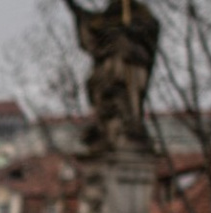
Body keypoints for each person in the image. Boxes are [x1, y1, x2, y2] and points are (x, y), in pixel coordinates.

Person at [65, 0, 161, 152]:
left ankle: (129, 124)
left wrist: (130, 33)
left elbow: (150, 32)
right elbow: (93, 29)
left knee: (126, 94)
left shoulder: (140, 13)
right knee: (99, 87)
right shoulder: (108, 16)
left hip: (130, 65)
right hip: (109, 67)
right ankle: (106, 126)